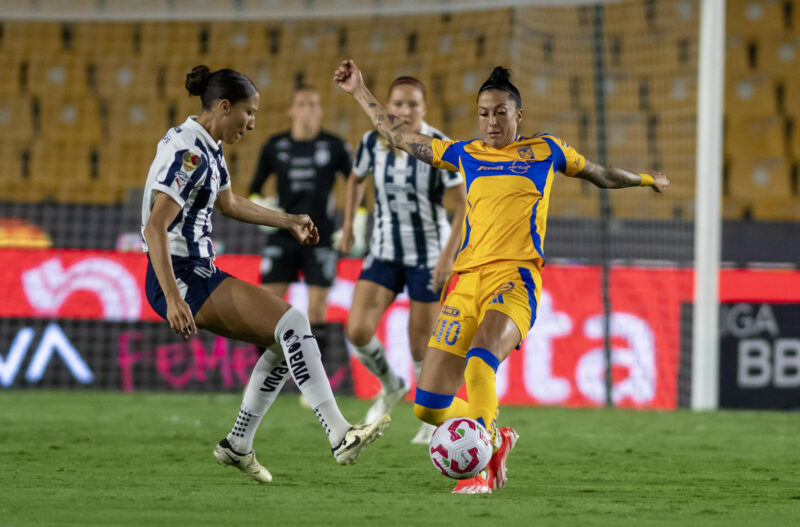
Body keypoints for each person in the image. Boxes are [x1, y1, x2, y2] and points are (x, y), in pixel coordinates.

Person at [334, 60, 669, 494]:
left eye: (500, 113)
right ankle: (497, 435)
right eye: (484, 113)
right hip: (466, 282)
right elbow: (400, 136)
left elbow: (600, 174)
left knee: (479, 365)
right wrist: (360, 90)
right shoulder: (465, 154)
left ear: (518, 115)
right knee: (428, 407)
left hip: (515, 280)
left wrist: (646, 180)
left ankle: (481, 469)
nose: (491, 121)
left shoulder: (546, 150)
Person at [141, 65, 389, 485]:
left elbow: (230, 203)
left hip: (197, 271)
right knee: (293, 322)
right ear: (223, 107)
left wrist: (289, 220)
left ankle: (238, 445)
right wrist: (174, 296)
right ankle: (341, 434)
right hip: (181, 274)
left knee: (283, 338)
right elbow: (154, 226)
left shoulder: (206, 144)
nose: (252, 124)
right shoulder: (192, 153)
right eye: (248, 113)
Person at [337, 76, 466, 445]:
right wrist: (349, 225)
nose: (404, 111)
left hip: (427, 255)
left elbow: (463, 207)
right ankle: (391, 384)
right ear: (388, 106)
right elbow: (355, 179)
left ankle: (431, 414)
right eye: (398, 103)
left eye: (412, 104)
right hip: (384, 251)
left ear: (424, 109)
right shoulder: (370, 142)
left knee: (420, 344)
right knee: (357, 330)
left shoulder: (439, 145)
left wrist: (447, 256)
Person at [249, 85, 352, 323]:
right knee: (268, 306)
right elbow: (254, 188)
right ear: (291, 111)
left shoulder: (335, 146)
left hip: (320, 236)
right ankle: (271, 361)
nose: (307, 110)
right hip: (283, 234)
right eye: (302, 104)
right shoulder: (274, 145)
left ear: (320, 111)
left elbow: (356, 184)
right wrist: (264, 210)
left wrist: (354, 222)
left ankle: (316, 361)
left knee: (317, 311)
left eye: (313, 104)